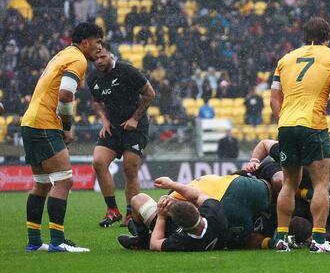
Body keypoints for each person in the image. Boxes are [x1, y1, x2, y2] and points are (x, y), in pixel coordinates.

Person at [21, 22, 103, 252]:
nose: (100, 47)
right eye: (98, 42)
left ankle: (35, 242)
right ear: (85, 41)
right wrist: (66, 125)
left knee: (42, 183)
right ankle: (57, 242)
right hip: (44, 124)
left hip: (31, 122)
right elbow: (66, 94)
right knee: (64, 180)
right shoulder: (78, 59)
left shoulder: (63, 54)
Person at [271, 16, 330, 253]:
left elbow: (274, 98)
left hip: (286, 125)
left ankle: (281, 238)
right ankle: (318, 239)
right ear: (328, 37)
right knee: (321, 184)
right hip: (313, 125)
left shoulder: (285, 59)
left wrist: (284, 121)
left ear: (305, 37)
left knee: (289, 183)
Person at [87, 44, 155, 227]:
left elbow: (150, 93)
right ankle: (112, 210)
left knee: (129, 169)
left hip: (134, 128)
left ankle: (132, 214)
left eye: (103, 57)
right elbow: (97, 102)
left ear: (111, 55)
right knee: (98, 163)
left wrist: (134, 118)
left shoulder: (127, 71)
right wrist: (104, 120)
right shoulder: (92, 77)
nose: (99, 61)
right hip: (113, 128)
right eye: (96, 58)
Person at [119, 173, 275, 251]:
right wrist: (172, 184)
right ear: (198, 212)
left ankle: (141, 239)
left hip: (164, 228)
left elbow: (155, 245)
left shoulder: (181, 240)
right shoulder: (214, 214)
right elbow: (197, 195)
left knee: (137, 199)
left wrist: (161, 216)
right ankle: (145, 234)